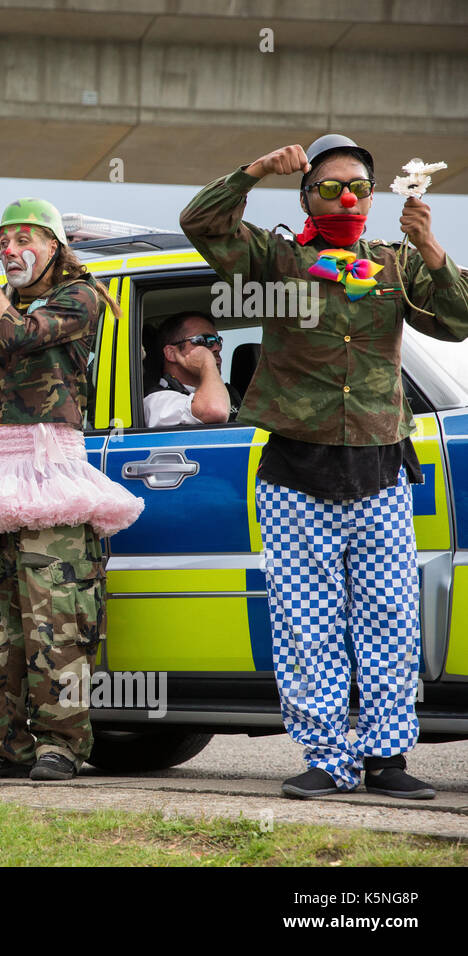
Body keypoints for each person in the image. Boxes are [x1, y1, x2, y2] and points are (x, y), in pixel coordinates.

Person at [180, 133, 468, 800]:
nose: (347, 198)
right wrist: (255, 169)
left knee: (390, 621)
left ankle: (387, 760)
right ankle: (328, 760)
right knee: (306, 624)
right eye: (330, 187)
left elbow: (460, 319)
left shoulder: (397, 265)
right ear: (308, 194)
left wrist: (430, 246)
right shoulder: (276, 260)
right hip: (294, 472)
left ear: (375, 198)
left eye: (359, 188)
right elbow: (202, 222)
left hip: (379, 470)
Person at [0, 199, 143, 782]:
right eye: (3, 238)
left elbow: (17, 338)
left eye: (24, 238)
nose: (11, 249)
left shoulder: (82, 295)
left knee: (56, 620)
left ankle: (60, 746)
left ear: (55, 247)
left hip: (52, 474)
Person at [142, 311, 236, 427]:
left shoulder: (231, 393)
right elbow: (215, 410)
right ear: (171, 353)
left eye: (218, 341)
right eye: (203, 340)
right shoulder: (157, 401)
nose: (217, 347)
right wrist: (207, 362)